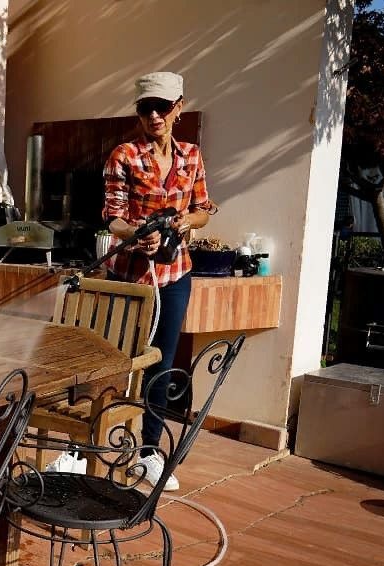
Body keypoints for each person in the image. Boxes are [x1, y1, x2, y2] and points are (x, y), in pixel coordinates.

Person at [103, 71, 216, 490]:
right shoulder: (124, 155)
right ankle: (85, 446)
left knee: (162, 364)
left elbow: (203, 209)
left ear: (178, 108)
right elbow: (113, 217)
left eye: (162, 107)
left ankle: (148, 452)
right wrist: (137, 233)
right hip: (130, 278)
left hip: (175, 274)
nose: (154, 116)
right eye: (145, 108)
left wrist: (186, 222)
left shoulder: (192, 155)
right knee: (114, 360)